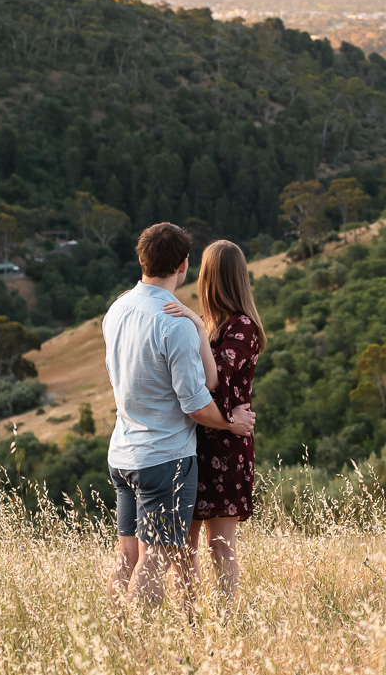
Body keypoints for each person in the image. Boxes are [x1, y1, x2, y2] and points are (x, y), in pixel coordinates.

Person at [102, 223, 256, 613]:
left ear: (141, 259)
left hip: (126, 450)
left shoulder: (118, 308)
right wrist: (228, 422)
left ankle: (113, 636)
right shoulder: (177, 322)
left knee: (132, 554)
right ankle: (139, 640)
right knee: (156, 556)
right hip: (166, 455)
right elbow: (199, 399)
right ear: (185, 265)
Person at [163, 239, 266, 605]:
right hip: (194, 440)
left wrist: (191, 319)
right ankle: (190, 623)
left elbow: (215, 377)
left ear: (211, 278)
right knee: (183, 547)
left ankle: (225, 625)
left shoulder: (244, 326)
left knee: (219, 546)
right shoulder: (210, 325)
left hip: (226, 445)